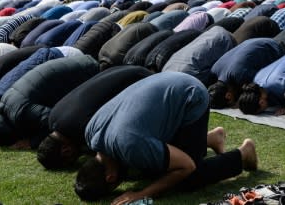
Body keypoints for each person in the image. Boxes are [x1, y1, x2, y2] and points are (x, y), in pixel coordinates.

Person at [74, 72, 257, 204]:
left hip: (190, 95)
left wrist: (143, 193)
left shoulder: (130, 147)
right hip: (166, 81)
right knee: (154, 165)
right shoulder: (91, 134)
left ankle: (243, 154)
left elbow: (187, 166)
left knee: (189, 177)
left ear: (111, 177)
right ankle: (211, 138)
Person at [37, 65, 153, 169]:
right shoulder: (52, 117)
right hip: (123, 69)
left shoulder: (81, 130)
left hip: (143, 79)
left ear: (66, 151)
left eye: (72, 161)